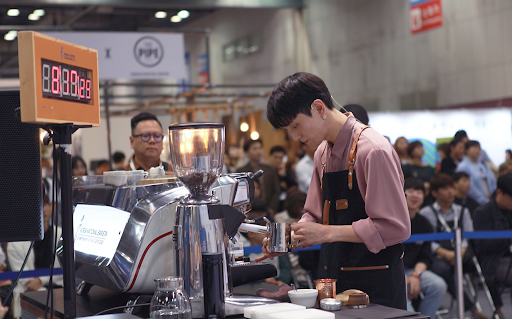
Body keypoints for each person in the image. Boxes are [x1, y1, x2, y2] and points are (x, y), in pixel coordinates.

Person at [261, 72, 410, 309]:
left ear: (319, 108)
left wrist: (326, 233)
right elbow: (314, 215)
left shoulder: (373, 150)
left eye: (296, 125)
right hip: (332, 283)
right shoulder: (322, 153)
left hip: (376, 288)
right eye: (288, 130)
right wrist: (290, 238)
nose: (295, 136)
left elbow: (395, 227)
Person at [419, 174, 486, 319]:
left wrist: (459, 252)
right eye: (444, 189)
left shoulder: (462, 210)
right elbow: (426, 241)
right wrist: (445, 253)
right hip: (440, 256)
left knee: (480, 264)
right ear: (434, 193)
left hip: (462, 253)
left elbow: (468, 236)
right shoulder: (427, 213)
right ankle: (471, 307)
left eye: (451, 188)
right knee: (441, 268)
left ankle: (477, 307)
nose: (450, 192)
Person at [7, 194, 63, 318]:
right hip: (30, 293)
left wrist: (40, 280)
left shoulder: (61, 234)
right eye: (39, 206)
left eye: (46, 205)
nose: (44, 209)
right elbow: (26, 280)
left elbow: (63, 271)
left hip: (58, 289)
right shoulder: (16, 242)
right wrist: (40, 282)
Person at [403, 177, 447, 319]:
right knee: (401, 288)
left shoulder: (424, 223)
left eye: (419, 192)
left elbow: (425, 256)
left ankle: (428, 316)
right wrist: (400, 276)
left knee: (438, 285)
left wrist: (416, 275)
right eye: (410, 191)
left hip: (413, 270)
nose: (415, 195)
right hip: (392, 270)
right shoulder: (393, 221)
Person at [472, 173, 512, 319]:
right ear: (500, 192)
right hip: (494, 261)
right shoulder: (482, 213)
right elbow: (481, 246)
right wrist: (506, 240)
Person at [237, 139, 281, 215]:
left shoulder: (269, 169)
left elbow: (276, 190)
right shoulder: (241, 171)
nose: (258, 151)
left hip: (267, 210)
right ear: (247, 152)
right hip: (249, 211)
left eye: (260, 148)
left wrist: (272, 208)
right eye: (255, 149)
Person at [456, 140, 496, 205]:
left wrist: (493, 198)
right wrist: (483, 200)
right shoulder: (463, 166)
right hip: (474, 202)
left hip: (490, 201)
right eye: (474, 147)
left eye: (479, 148)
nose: (477, 150)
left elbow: (492, 181)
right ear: (467, 150)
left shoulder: (483, 164)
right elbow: (469, 188)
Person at [267, 145, 298, 212]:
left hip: (285, 205)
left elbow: (294, 185)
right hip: (270, 205)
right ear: (270, 157)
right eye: (276, 157)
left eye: (280, 158)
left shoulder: (285, 171)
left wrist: (283, 176)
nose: (278, 160)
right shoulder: (267, 171)